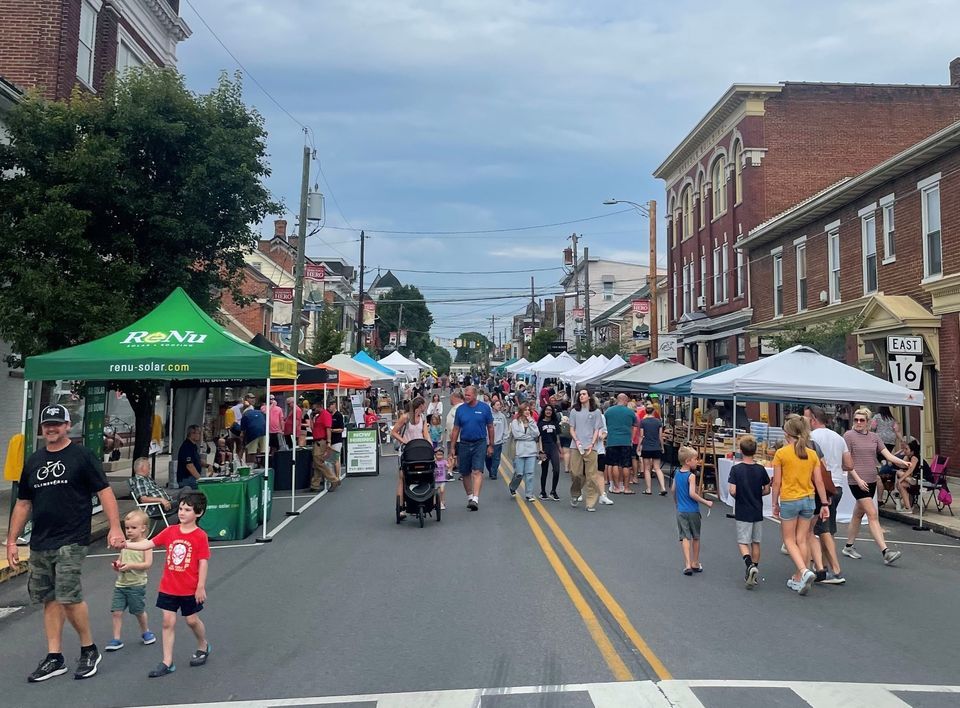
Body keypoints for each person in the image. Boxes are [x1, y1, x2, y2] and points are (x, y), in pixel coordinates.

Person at [6, 404, 124, 682]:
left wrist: (115, 527)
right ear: (42, 428)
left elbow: (104, 492)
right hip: (41, 540)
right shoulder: (34, 461)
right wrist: (11, 541)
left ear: (68, 426)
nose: (52, 428)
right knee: (49, 598)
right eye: (47, 424)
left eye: (57, 424)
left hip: (72, 537)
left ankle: (89, 649)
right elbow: (23, 503)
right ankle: (54, 656)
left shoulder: (82, 456)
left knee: (68, 595)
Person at [123, 492, 210, 678]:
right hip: (169, 587)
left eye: (187, 510)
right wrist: (125, 545)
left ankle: (203, 645)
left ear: (199, 512)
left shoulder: (200, 536)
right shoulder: (170, 531)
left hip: (189, 588)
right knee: (167, 622)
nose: (182, 512)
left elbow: (203, 562)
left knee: (191, 620)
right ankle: (167, 661)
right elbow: (147, 544)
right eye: (181, 509)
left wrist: (200, 586)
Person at [771, 416, 831, 595]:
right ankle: (799, 576)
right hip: (809, 498)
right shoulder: (812, 454)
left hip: (790, 498)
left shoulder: (782, 453)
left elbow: (777, 482)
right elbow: (819, 481)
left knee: (789, 539)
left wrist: (774, 503)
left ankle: (803, 571)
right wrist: (824, 503)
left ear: (787, 433)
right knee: (802, 539)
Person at [842, 407, 908, 565]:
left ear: (868, 422)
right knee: (872, 514)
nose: (858, 422)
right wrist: (858, 479)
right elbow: (847, 462)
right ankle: (886, 551)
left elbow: (888, 455)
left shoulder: (874, 437)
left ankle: (848, 546)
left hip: (871, 479)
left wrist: (903, 462)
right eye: (856, 420)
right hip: (857, 481)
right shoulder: (849, 436)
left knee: (858, 514)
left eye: (861, 420)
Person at [804, 405, 852, 585]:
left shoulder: (811, 438)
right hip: (837, 485)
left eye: (806, 418)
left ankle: (836, 570)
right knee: (827, 527)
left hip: (821, 487)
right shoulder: (838, 437)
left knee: (823, 530)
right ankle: (822, 566)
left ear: (813, 420)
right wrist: (836, 465)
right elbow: (849, 464)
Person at [106, 510, 156, 651]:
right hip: (121, 584)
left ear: (143, 528)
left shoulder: (146, 545)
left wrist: (131, 566)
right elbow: (121, 560)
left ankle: (146, 631)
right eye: (127, 528)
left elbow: (147, 564)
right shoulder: (125, 544)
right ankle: (116, 639)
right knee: (116, 612)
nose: (129, 531)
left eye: (133, 527)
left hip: (136, 585)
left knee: (138, 611)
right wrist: (117, 565)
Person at [727, 435, 770, 589]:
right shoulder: (760, 469)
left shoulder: (736, 469)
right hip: (757, 508)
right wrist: (758, 493)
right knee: (756, 542)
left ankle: (749, 564)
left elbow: (732, 490)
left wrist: (738, 496)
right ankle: (754, 569)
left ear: (740, 450)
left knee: (743, 541)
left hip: (743, 508)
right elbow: (767, 489)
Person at [450, 385, 495, 511]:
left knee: (477, 471)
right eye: (465, 395)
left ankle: (475, 498)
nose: (466, 397)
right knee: (465, 472)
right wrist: (452, 447)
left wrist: (491, 445)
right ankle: (470, 496)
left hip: (479, 443)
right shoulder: (460, 410)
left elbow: (490, 427)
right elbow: (456, 429)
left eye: (468, 395)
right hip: (464, 443)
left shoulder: (484, 408)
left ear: (475, 395)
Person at [673, 446, 714, 575]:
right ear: (688, 461)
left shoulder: (677, 473)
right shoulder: (691, 476)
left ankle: (687, 564)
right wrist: (706, 501)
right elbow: (692, 493)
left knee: (685, 537)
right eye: (695, 459)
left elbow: (673, 489)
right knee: (696, 536)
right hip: (692, 510)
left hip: (681, 510)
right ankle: (695, 562)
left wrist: (676, 502)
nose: (697, 461)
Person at [568, 389, 604, 512]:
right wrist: (577, 441)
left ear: (589, 396)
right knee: (575, 473)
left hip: (591, 447)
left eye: (584, 394)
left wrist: (592, 444)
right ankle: (575, 493)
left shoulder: (596, 412)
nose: (581, 396)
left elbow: (597, 430)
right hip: (576, 446)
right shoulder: (574, 411)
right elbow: (571, 429)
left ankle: (590, 502)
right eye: (580, 394)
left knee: (591, 475)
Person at [392, 397, 429, 507]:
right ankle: (401, 505)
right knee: (402, 477)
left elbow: (425, 434)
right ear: (420, 406)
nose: (425, 406)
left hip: (420, 449)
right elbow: (393, 432)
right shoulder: (405, 417)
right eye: (424, 405)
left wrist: (430, 446)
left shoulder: (422, 417)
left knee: (424, 473)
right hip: (407, 449)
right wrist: (404, 441)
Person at [604, 393, 637, 496]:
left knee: (615, 464)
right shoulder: (630, 412)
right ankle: (626, 488)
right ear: (625, 400)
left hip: (612, 441)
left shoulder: (608, 411)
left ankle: (617, 487)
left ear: (617, 400)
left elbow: (605, 424)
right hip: (626, 441)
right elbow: (634, 426)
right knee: (626, 465)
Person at [509, 402, 541, 502]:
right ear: (521, 411)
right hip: (520, 450)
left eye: (528, 410)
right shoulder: (515, 422)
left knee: (530, 473)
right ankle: (512, 486)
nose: (527, 412)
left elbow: (536, 433)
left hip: (531, 450)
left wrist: (531, 421)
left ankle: (529, 494)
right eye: (525, 410)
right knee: (519, 473)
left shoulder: (532, 422)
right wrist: (530, 437)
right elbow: (517, 435)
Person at [637, 404, 667, 496]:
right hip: (656, 447)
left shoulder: (643, 422)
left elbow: (641, 436)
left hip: (646, 447)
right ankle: (663, 487)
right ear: (654, 411)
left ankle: (648, 489)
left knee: (646, 469)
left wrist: (638, 446)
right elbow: (660, 436)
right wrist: (662, 447)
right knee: (657, 468)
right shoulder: (658, 422)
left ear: (645, 411)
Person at [310, 401, 338, 493]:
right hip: (317, 440)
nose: (314, 409)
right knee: (316, 463)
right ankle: (315, 484)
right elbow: (313, 428)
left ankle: (333, 479)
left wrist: (328, 442)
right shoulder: (318, 416)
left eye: (315, 408)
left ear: (319, 406)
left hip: (321, 441)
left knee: (319, 461)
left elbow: (328, 428)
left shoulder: (325, 415)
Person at [897, 438, 930, 513]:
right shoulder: (909, 457)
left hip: (925, 480)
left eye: (906, 449)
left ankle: (908, 507)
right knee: (901, 484)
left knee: (900, 476)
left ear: (912, 451)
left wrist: (900, 479)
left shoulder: (914, 457)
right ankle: (908, 507)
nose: (904, 450)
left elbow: (910, 470)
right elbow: (903, 467)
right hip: (917, 478)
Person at [537, 404, 562, 501]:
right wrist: (540, 450)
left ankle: (553, 491)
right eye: (547, 410)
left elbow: (557, 438)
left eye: (550, 410)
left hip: (553, 447)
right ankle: (543, 492)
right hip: (545, 448)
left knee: (556, 469)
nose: (548, 412)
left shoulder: (555, 423)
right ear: (544, 411)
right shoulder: (540, 423)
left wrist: (560, 450)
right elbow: (539, 438)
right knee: (544, 470)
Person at [176, 425, 210, 490]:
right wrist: (201, 480)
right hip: (186, 479)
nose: (199, 435)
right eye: (198, 433)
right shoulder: (187, 447)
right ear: (192, 434)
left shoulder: (193, 446)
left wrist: (208, 465)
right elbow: (189, 466)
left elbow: (197, 460)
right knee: (208, 486)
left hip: (192, 478)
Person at [486, 398, 507, 480]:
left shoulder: (502, 416)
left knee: (496, 458)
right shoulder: (488, 415)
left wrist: (504, 437)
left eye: (500, 405)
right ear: (493, 406)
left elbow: (505, 427)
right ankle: (490, 470)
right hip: (488, 441)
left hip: (498, 441)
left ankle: (494, 473)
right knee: (488, 458)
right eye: (497, 405)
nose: (499, 406)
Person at [445, 390, 464, 461]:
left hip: (456, 439)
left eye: (451, 398)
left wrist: (452, 435)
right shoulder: (456, 408)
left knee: (454, 459)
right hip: (456, 438)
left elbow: (454, 424)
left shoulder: (458, 408)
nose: (450, 399)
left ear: (455, 398)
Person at [329, 400, 345, 480]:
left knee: (335, 459)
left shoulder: (338, 415)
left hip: (337, 440)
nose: (329, 408)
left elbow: (341, 429)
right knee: (330, 460)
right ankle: (333, 477)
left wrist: (332, 430)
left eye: (330, 406)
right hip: (329, 440)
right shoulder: (329, 415)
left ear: (334, 405)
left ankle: (338, 477)